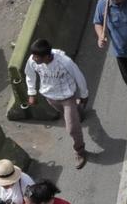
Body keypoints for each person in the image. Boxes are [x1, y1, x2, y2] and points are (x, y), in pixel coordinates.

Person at [24, 39, 90, 169]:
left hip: (67, 97)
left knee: (72, 128)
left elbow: (79, 76)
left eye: (37, 57)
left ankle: (79, 150)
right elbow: (29, 75)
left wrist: (84, 94)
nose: (34, 58)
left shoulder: (65, 62)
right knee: (72, 116)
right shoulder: (33, 60)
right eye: (34, 56)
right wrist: (32, 93)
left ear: (47, 56)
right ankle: (78, 112)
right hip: (50, 97)